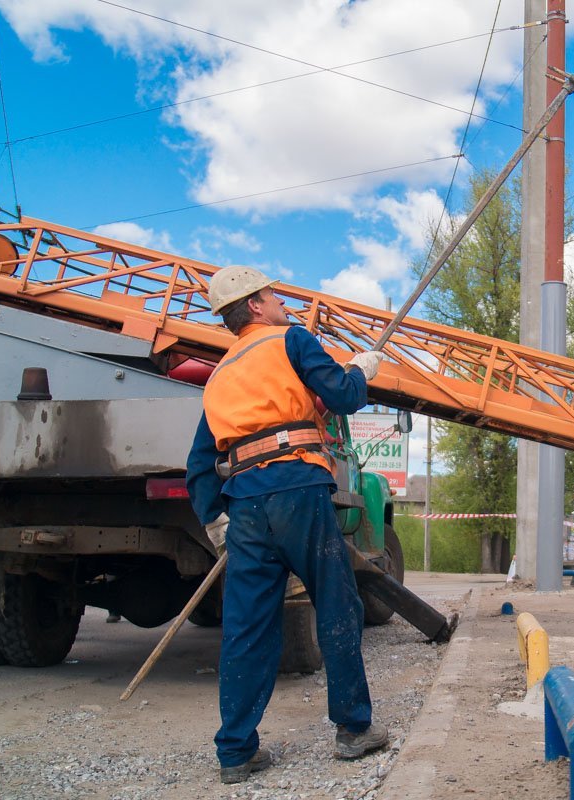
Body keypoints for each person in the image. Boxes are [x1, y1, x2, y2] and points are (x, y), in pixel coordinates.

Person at [185, 266, 388, 785]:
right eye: (273, 295)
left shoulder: (222, 373)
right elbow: (343, 395)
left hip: (246, 505)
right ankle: (352, 730)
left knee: (247, 626)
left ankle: (235, 752)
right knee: (337, 602)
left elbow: (199, 463)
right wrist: (362, 370)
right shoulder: (291, 341)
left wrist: (214, 520)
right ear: (255, 305)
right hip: (299, 489)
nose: (281, 303)